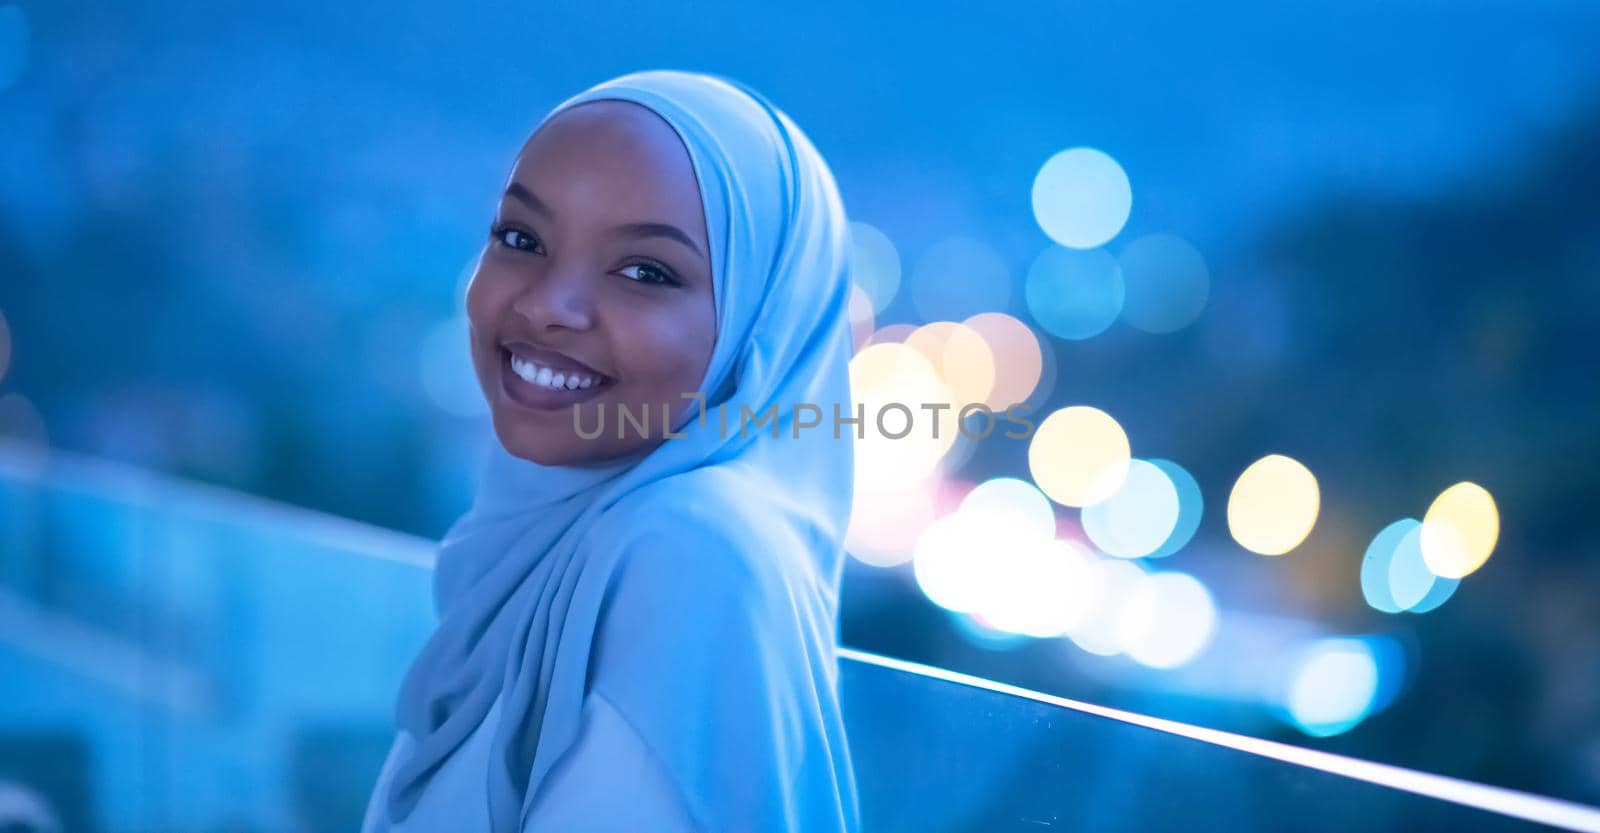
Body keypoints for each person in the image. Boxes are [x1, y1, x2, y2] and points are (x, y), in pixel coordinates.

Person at [360, 69, 862, 832]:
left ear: (758, 331)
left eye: (645, 271)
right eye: (520, 239)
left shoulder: (692, 549)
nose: (546, 306)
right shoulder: (560, 531)